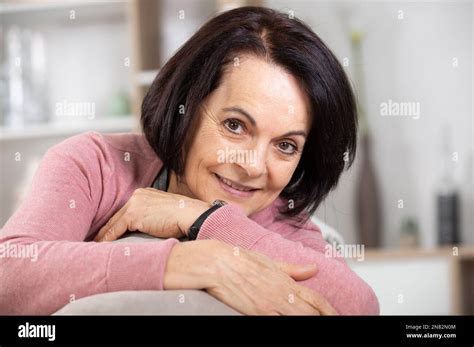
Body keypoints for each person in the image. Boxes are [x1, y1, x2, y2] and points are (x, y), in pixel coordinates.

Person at [0, 6, 379, 315]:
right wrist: (189, 263)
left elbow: (360, 307)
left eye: (285, 146)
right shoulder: (95, 164)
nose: (252, 165)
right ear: (187, 107)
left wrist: (200, 218)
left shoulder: (282, 219)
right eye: (235, 125)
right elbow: (9, 275)